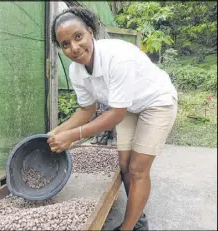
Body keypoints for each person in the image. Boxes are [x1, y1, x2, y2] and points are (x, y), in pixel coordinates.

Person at [47, 6, 177, 231]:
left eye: (78, 37)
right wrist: (56, 133)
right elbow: (87, 110)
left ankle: (129, 227)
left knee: (137, 169)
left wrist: (73, 136)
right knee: (124, 165)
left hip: (157, 102)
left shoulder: (117, 57)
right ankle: (138, 216)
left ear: (90, 31)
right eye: (65, 44)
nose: (74, 48)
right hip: (129, 107)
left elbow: (115, 114)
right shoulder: (77, 71)